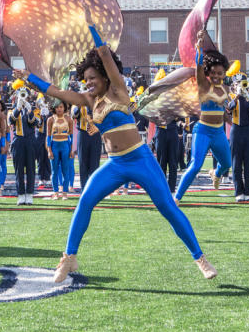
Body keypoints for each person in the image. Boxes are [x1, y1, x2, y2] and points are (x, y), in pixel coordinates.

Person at [13, 32, 216, 282]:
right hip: (116, 164)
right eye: (85, 79)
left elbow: (106, 54)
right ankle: (69, 257)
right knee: (85, 200)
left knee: (167, 207)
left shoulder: (118, 90)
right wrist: (28, 78)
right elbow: (56, 91)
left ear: (104, 75)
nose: (88, 83)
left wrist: (90, 27)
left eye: (92, 78)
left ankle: (200, 258)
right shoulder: (88, 99)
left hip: (140, 159)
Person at [174, 30, 233, 200]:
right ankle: (177, 197)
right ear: (209, 72)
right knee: (195, 165)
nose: (216, 76)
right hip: (203, 131)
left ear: (224, 74)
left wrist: (232, 122)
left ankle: (215, 173)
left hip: (218, 132)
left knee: (227, 164)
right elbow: (199, 66)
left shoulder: (226, 89)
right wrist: (199, 47)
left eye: (219, 73)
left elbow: (221, 112)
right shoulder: (203, 85)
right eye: (213, 72)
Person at [9, 92, 41, 205]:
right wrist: (18, 108)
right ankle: (21, 194)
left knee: (31, 168)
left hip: (30, 140)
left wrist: (29, 110)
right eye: (20, 96)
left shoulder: (33, 110)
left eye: (24, 96)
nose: (22, 98)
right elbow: (10, 121)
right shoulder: (13, 111)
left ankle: (30, 194)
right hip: (18, 141)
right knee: (19, 169)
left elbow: (34, 123)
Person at [47, 101, 75, 199]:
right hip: (54, 145)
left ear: (64, 108)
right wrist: (49, 150)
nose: (59, 109)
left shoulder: (69, 119)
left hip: (65, 146)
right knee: (54, 171)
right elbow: (48, 136)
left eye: (61, 107)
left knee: (65, 170)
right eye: (57, 107)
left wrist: (72, 150)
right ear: (54, 108)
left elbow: (71, 137)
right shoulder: (50, 119)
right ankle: (55, 192)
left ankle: (65, 192)